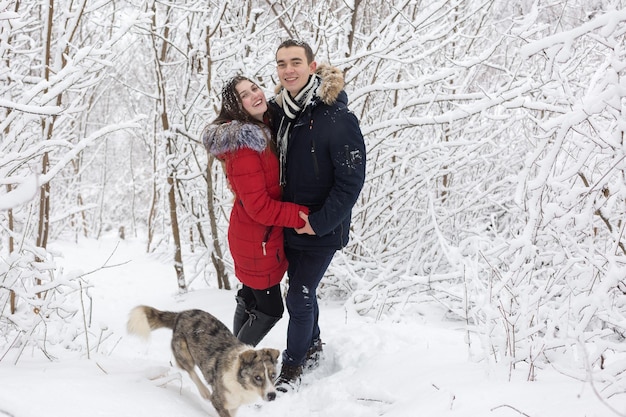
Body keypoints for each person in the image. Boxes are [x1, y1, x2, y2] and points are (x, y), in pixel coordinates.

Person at [268, 40, 366, 392]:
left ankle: (292, 367)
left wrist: (320, 221)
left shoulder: (338, 118)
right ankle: (312, 345)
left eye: (296, 62)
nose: (288, 69)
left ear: (312, 67)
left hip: (321, 227)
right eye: (281, 64)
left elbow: (352, 180)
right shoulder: (280, 114)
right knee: (299, 290)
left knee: (300, 293)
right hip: (289, 223)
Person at [202, 75, 309, 347]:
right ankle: (233, 365)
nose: (255, 95)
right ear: (236, 107)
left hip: (255, 235)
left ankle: (229, 355)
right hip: (257, 240)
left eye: (254, 88)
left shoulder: (261, 128)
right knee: (271, 309)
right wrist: (300, 215)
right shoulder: (246, 146)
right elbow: (259, 206)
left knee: (251, 297)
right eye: (244, 95)